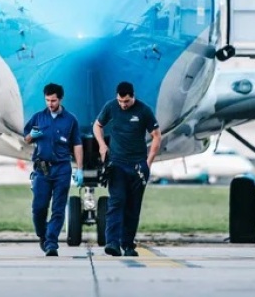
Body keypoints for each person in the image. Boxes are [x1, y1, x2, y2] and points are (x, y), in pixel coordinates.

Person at [92, 81, 161, 257]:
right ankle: (112, 243)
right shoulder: (111, 106)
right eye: (121, 101)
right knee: (117, 201)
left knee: (133, 205)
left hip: (138, 164)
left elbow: (156, 135)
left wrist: (148, 161)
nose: (123, 105)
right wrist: (102, 145)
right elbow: (97, 125)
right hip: (117, 163)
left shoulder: (143, 110)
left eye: (127, 102)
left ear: (133, 97)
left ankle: (128, 244)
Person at [23, 82, 83, 256]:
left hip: (62, 169)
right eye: (48, 100)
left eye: (54, 100)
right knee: (39, 208)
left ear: (60, 99)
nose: (50, 104)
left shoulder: (70, 120)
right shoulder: (38, 118)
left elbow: (77, 144)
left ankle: (51, 243)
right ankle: (42, 234)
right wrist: (30, 136)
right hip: (42, 170)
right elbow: (26, 139)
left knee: (58, 208)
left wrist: (79, 168)